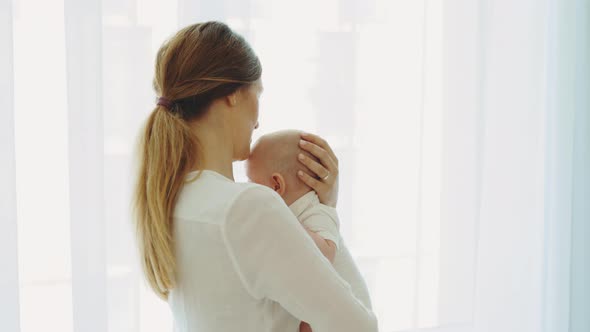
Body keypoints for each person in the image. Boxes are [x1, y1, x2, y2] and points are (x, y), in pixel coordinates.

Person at [133, 21, 377, 332]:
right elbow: (360, 326)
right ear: (233, 95)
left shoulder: (168, 198)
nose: (258, 120)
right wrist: (321, 208)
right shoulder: (248, 207)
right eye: (257, 93)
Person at [246, 130, 374, 332]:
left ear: (277, 185)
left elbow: (326, 252)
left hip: (354, 311)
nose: (248, 189)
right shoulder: (295, 212)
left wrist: (283, 224)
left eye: (252, 182)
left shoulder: (318, 210)